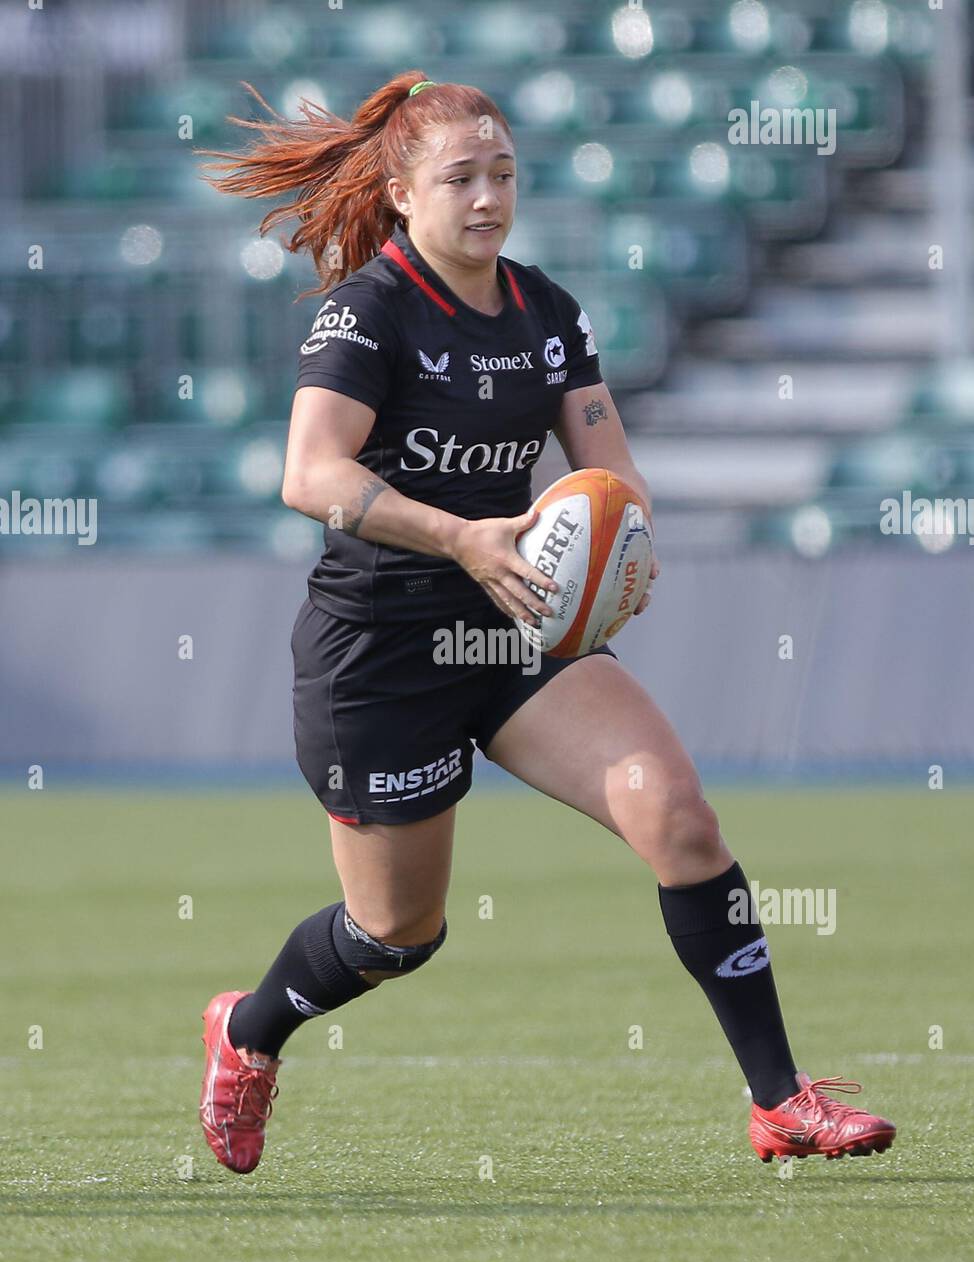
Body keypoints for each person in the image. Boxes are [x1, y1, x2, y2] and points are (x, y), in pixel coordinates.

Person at [193, 73, 895, 1175]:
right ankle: (247, 1031)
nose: (487, 199)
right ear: (400, 189)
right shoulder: (368, 311)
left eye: (503, 174)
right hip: (378, 652)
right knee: (394, 937)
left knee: (678, 821)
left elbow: (609, 471)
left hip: (519, 631)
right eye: (459, 178)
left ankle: (778, 1102)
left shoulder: (544, 312)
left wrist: (624, 545)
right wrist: (462, 536)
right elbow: (307, 474)